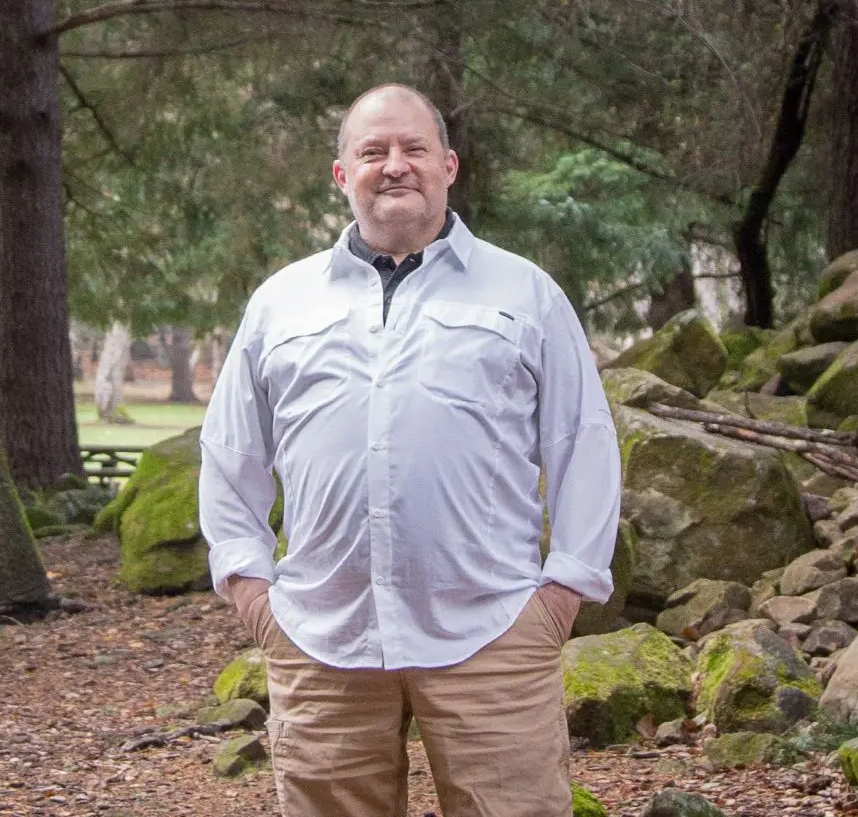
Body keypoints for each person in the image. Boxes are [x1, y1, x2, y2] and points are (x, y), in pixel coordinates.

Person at [198, 83, 621, 817]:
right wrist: (250, 589)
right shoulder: (282, 302)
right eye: (372, 152)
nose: (394, 165)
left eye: (413, 148)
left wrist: (562, 594)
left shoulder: (525, 293)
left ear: (448, 166)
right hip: (323, 637)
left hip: (493, 634)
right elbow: (230, 452)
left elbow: (582, 441)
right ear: (342, 176)